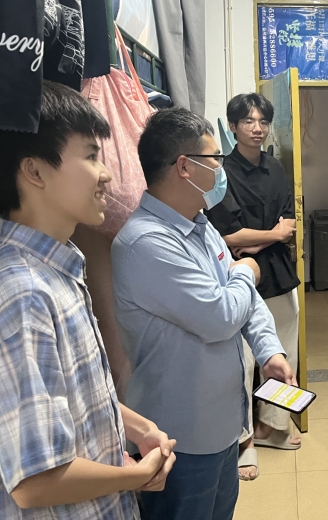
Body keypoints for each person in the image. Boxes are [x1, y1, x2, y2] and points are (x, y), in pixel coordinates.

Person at [0, 81, 176, 520]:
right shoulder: (22, 293)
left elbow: (68, 398)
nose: (106, 173)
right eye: (91, 155)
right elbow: (35, 481)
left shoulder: (55, 269)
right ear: (35, 172)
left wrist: (136, 425)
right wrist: (135, 476)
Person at [110, 107, 296, 520]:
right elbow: (221, 315)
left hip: (223, 424)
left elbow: (244, 304)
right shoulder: (146, 242)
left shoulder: (200, 225)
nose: (221, 169)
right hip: (180, 437)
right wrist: (247, 270)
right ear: (184, 167)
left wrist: (269, 350)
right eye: (215, 159)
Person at [206, 93, 301, 481]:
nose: (257, 128)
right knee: (243, 362)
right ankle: (244, 439)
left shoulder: (276, 168)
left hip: (278, 272)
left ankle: (271, 425)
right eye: (248, 121)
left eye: (263, 121)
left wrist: (260, 239)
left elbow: (288, 223)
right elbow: (227, 236)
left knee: (282, 350)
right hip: (237, 275)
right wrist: (272, 235)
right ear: (232, 126)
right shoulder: (220, 171)